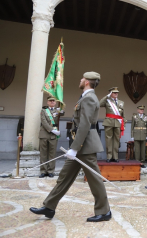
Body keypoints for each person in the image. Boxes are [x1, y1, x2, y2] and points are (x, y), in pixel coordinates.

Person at [30, 72, 111, 222]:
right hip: (79, 144)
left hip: (85, 146)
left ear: (87, 82)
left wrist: (75, 147)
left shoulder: (89, 98)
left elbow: (85, 124)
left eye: (82, 78)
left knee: (94, 179)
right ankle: (49, 206)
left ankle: (104, 211)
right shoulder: (86, 97)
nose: (80, 80)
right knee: (64, 177)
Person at [38, 96, 64, 178]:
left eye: (53, 101)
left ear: (55, 102)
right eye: (50, 101)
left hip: (53, 135)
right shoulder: (44, 110)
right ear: (47, 102)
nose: (52, 102)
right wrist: (52, 130)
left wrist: (61, 110)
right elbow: (44, 122)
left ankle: (50, 171)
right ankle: (43, 171)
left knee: (52, 153)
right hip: (44, 133)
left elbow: (63, 113)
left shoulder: (57, 110)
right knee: (43, 153)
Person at [100, 87, 125, 162]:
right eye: (114, 93)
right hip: (109, 122)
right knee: (109, 139)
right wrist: (107, 96)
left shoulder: (121, 102)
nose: (116, 94)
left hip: (118, 122)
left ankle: (115, 157)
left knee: (116, 140)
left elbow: (123, 114)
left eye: (117, 92)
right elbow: (99, 104)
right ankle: (109, 156)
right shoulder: (107, 101)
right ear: (110, 93)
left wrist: (124, 124)